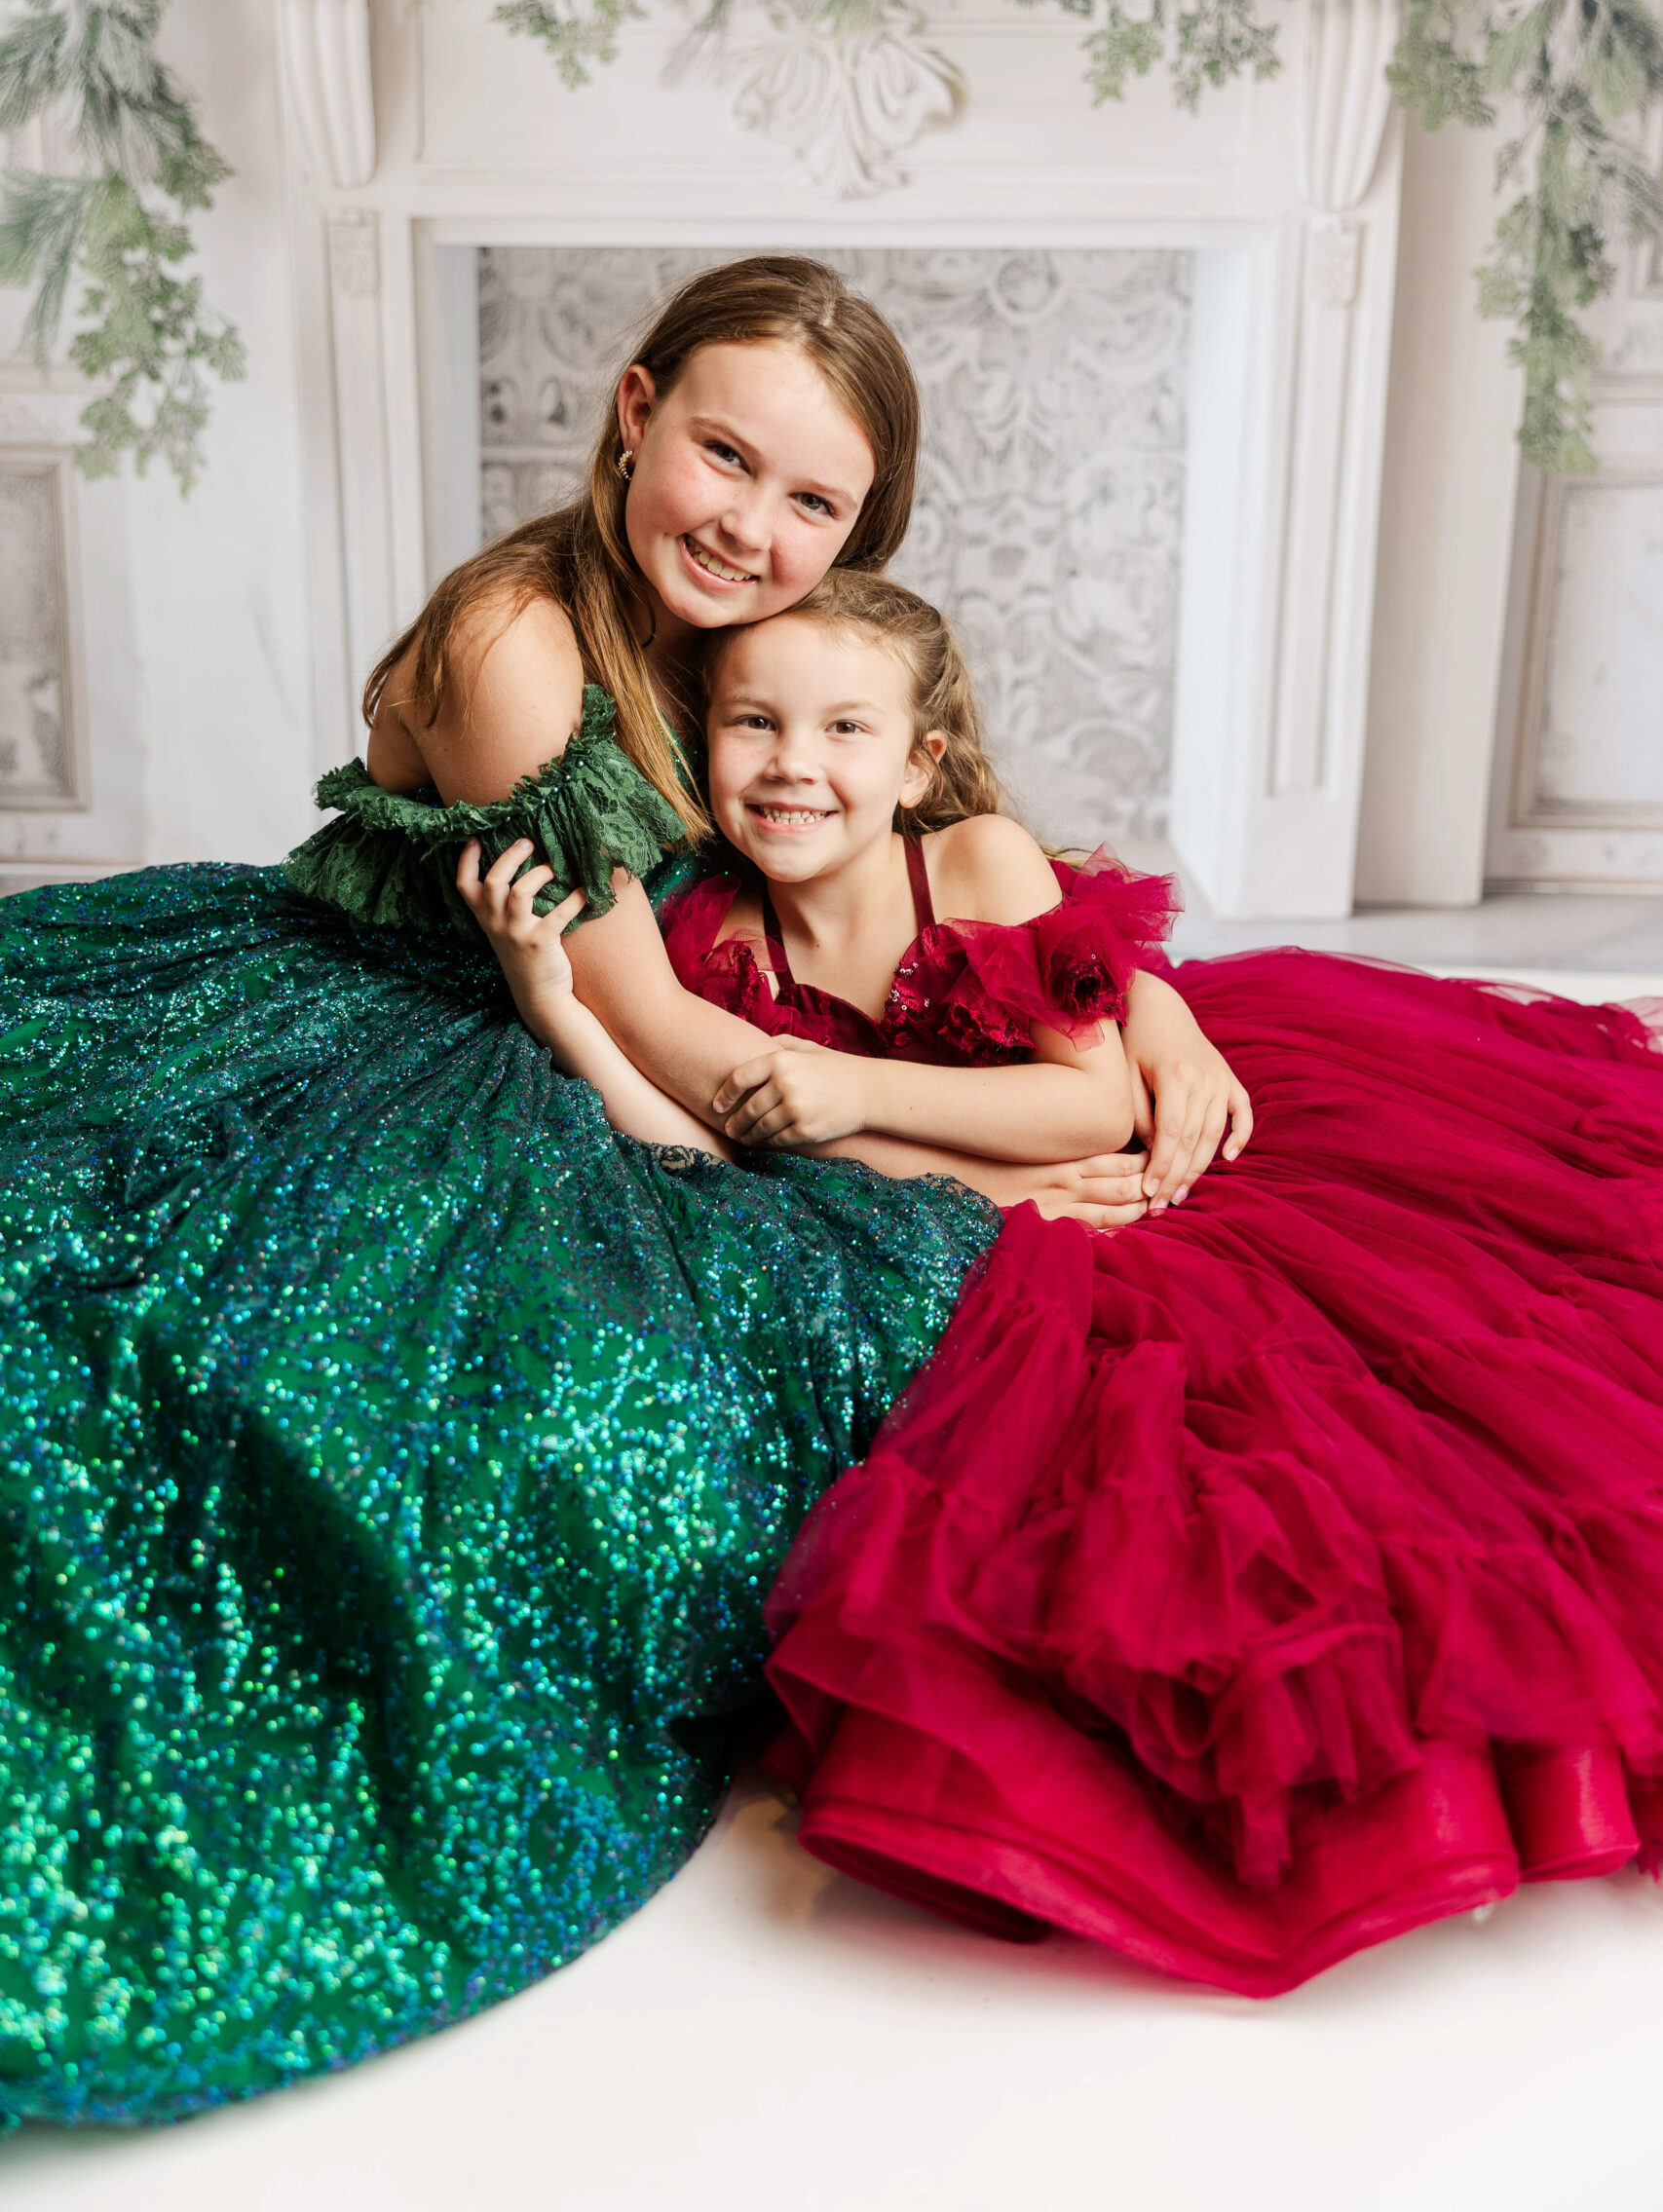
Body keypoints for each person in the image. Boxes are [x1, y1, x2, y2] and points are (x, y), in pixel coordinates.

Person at [0, 256, 1239, 2127]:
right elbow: (654, 1023)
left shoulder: (759, 639)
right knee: (508, 1379)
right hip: (455, 1024)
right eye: (723, 455)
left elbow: (924, 825)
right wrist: (940, 1168)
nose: (753, 529)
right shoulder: (523, 644)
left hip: (646, 1026)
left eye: (813, 503)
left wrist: (1143, 1006)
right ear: (633, 410)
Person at [477, 567, 1663, 1998]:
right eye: (752, 726)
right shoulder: (714, 936)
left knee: (1356, 1421)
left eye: (845, 730)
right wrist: (560, 1002)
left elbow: (1090, 1110)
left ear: (918, 758)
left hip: (1142, 1190)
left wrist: (846, 1090)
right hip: (987, 1237)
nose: (793, 765)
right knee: (1084, 1514)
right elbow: (723, 1153)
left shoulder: (972, 859)